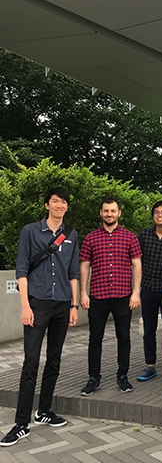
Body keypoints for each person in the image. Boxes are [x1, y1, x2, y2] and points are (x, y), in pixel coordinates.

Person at [0, 188, 79, 447]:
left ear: (67, 207)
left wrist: (74, 305)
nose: (60, 205)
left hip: (62, 304)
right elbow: (22, 269)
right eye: (55, 201)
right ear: (47, 205)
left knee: (54, 359)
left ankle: (43, 411)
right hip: (37, 304)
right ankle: (21, 423)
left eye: (64, 202)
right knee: (31, 362)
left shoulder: (71, 235)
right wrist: (25, 306)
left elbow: (73, 272)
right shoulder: (30, 231)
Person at [79, 196, 142, 396]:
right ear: (101, 213)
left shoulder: (129, 237)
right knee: (94, 338)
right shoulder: (91, 238)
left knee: (123, 337)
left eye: (113, 211)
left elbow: (137, 265)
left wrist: (136, 292)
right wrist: (83, 292)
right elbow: (85, 266)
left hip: (123, 296)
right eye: (106, 210)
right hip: (98, 296)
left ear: (119, 213)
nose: (109, 214)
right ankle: (93, 378)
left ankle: (122, 376)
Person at [136, 201, 162, 382]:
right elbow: (137, 262)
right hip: (148, 289)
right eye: (157, 212)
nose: (160, 215)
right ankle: (150, 365)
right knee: (148, 329)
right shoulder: (144, 235)